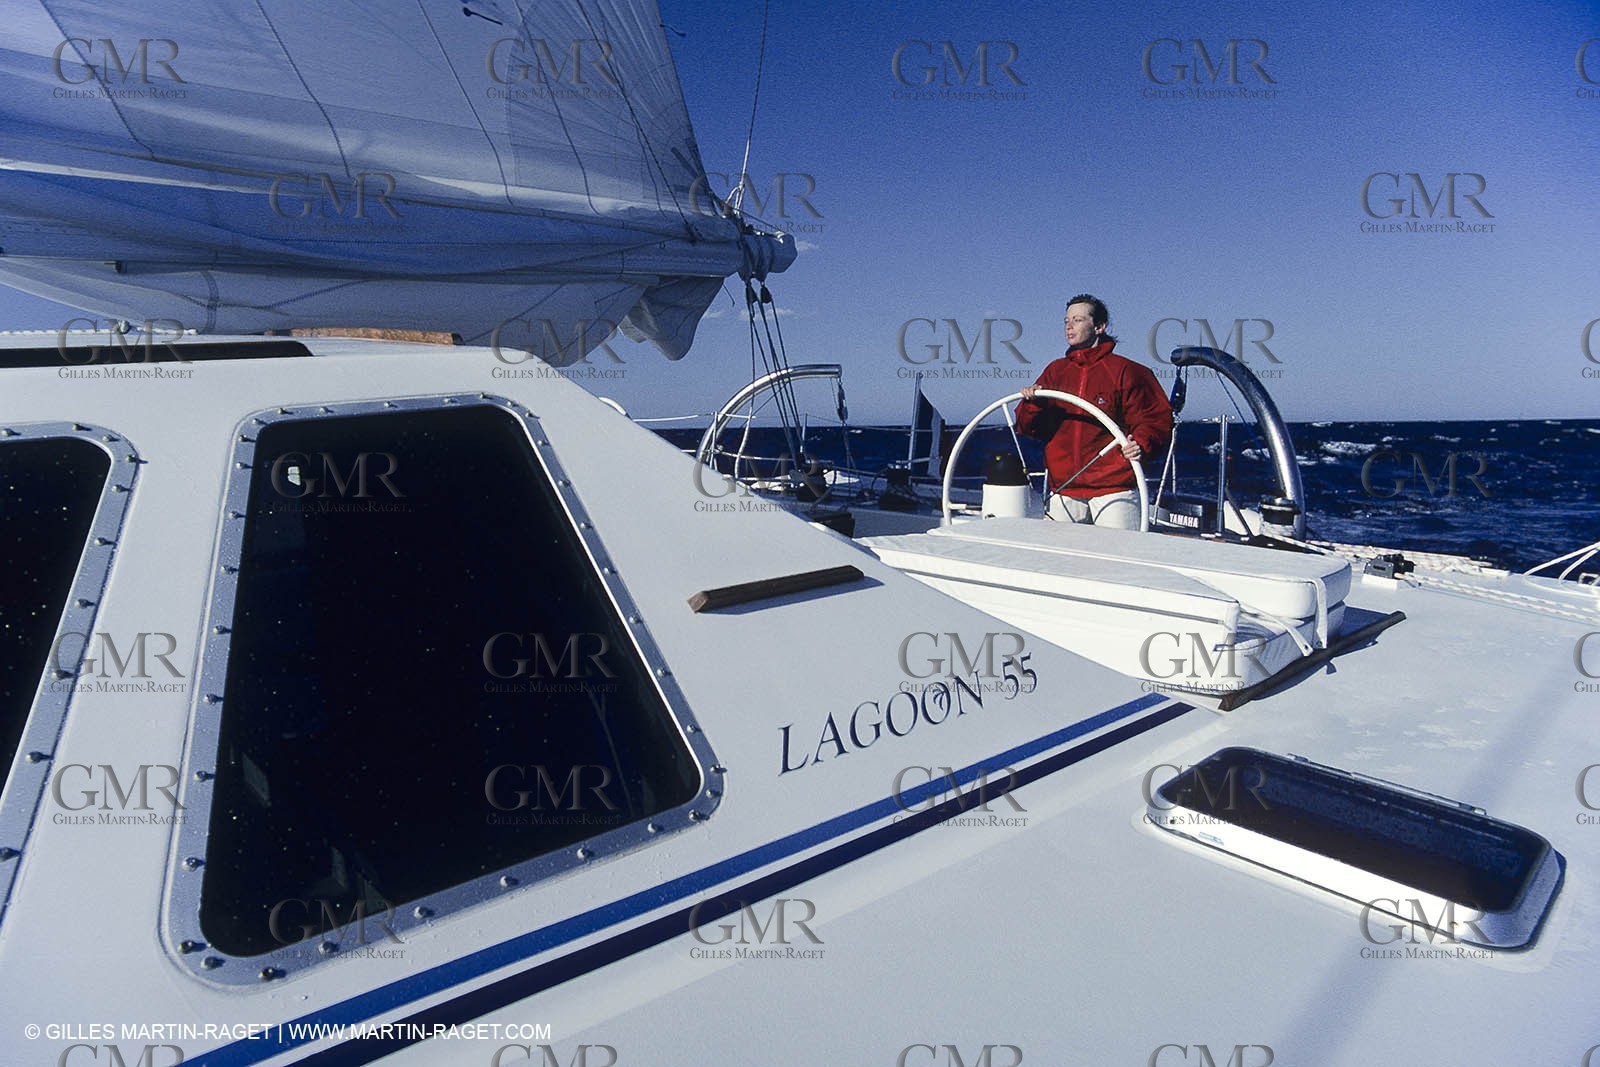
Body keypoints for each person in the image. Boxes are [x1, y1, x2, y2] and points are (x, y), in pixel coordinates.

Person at [1015, 294, 1172, 529]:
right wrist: (1033, 404)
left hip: (1113, 488)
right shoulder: (1055, 371)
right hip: (1065, 488)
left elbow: (1154, 418)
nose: (1069, 326)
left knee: (1116, 562)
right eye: (1066, 320)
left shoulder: (1126, 371)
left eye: (1077, 320)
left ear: (1100, 326)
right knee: (1061, 562)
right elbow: (1029, 428)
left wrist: (1141, 442)